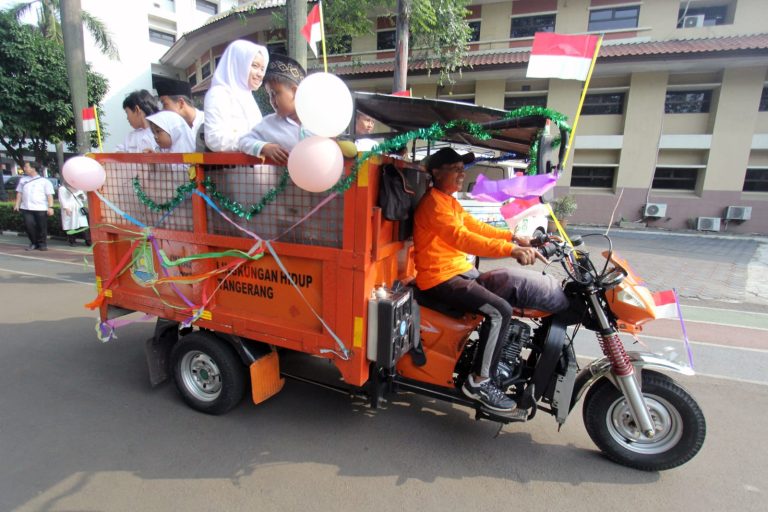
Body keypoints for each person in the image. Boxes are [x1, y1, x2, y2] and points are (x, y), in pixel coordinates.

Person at [413, 147, 569, 413]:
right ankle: (479, 382)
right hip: (440, 278)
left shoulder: (448, 201)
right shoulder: (433, 205)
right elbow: (463, 239)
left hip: (459, 271)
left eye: (463, 169)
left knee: (504, 290)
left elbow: (475, 227)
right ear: (436, 172)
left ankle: (491, 359)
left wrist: (514, 238)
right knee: (500, 311)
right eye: (455, 169)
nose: (462, 174)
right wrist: (510, 250)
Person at [238, 54, 310, 165]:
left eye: (275, 93)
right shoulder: (268, 124)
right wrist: (264, 147)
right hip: (284, 182)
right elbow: (243, 141)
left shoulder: (317, 120)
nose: (271, 100)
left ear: (295, 92)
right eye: (269, 95)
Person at [204, 40, 269, 152]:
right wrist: (255, 145)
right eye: (254, 66)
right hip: (232, 168)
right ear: (237, 63)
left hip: (257, 168)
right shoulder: (219, 94)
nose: (260, 74)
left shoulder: (247, 96)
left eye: (262, 69)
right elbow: (214, 138)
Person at [13, 162, 54, 251]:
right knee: (29, 226)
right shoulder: (23, 180)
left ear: (33, 168)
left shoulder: (44, 181)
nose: (25, 168)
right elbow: (19, 193)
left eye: (26, 167)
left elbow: (49, 195)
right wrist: (17, 204)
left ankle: (42, 244)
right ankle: (34, 243)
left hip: (40, 208)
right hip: (26, 208)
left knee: (41, 227)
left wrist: (50, 207)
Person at [156, 80, 205, 152]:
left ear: (181, 103)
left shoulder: (208, 122)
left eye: (165, 104)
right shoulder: (172, 129)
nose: (163, 111)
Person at [58, 179, 91, 246]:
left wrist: (81, 196)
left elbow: (84, 198)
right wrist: (66, 208)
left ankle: (88, 240)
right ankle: (72, 241)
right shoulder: (62, 188)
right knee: (70, 225)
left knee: (83, 225)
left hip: (78, 207)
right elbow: (62, 199)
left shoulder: (78, 188)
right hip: (69, 208)